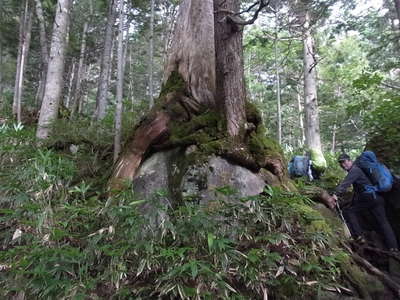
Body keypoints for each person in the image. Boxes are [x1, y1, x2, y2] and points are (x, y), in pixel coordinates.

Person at [328, 153, 398, 250]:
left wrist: (335, 194)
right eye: (341, 164)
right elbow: (357, 191)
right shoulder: (359, 169)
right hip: (376, 198)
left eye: (344, 162)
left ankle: (359, 236)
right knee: (383, 223)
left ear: (350, 160)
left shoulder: (355, 170)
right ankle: (393, 247)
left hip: (370, 198)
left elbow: (346, 183)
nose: (343, 165)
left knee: (350, 211)